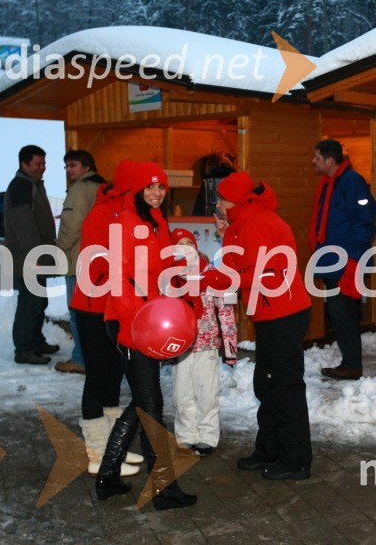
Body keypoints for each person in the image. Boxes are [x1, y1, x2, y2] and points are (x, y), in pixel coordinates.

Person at [95, 161, 197, 510]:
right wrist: (134, 323)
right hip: (129, 323)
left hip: (150, 320)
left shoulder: (156, 221)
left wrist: (181, 265)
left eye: (161, 188)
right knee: (151, 404)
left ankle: (108, 476)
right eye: (149, 188)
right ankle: (164, 488)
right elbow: (118, 277)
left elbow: (160, 268)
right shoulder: (125, 223)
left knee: (143, 402)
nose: (156, 194)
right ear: (135, 190)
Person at [216, 171, 313, 480]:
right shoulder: (243, 221)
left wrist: (225, 278)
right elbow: (236, 264)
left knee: (284, 387)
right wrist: (225, 233)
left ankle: (295, 460)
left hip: (282, 313)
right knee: (267, 384)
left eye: (221, 198)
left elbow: (265, 275)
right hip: (271, 313)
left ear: (237, 199)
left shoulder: (258, 223)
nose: (217, 203)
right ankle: (269, 449)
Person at [71, 161, 142, 478]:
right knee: (98, 375)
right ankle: (97, 454)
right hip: (92, 305)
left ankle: (114, 449)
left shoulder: (132, 214)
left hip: (116, 306)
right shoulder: (102, 214)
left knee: (115, 375)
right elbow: (99, 263)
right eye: (146, 186)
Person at [309, 139, 376, 381]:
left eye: (317, 157)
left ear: (329, 160)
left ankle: (351, 365)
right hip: (330, 259)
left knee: (341, 311)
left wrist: (353, 257)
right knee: (339, 312)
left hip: (345, 261)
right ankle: (350, 362)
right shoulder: (329, 184)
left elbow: (365, 218)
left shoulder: (351, 183)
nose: (314, 161)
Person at [169, 228, 237, 457]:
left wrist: (229, 347)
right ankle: (187, 435)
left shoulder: (211, 274)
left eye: (189, 242)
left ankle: (207, 436)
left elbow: (226, 312)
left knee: (207, 393)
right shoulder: (169, 278)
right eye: (180, 244)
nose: (186, 247)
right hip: (180, 347)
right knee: (182, 393)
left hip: (206, 344)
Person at [3, 144, 59, 365]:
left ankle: (36, 341)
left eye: (44, 163)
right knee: (30, 303)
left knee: (39, 301)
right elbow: (23, 224)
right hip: (29, 259)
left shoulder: (33, 184)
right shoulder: (21, 187)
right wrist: (36, 256)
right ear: (24, 164)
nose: (42, 168)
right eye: (38, 164)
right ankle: (24, 349)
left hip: (36, 257)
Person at [55, 150, 106, 374]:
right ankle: (98, 357)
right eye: (66, 166)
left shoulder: (79, 190)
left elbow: (71, 225)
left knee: (77, 313)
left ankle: (80, 359)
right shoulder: (102, 187)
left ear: (86, 167)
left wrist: (59, 248)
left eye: (73, 165)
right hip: (100, 260)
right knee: (97, 314)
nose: (69, 170)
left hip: (78, 259)